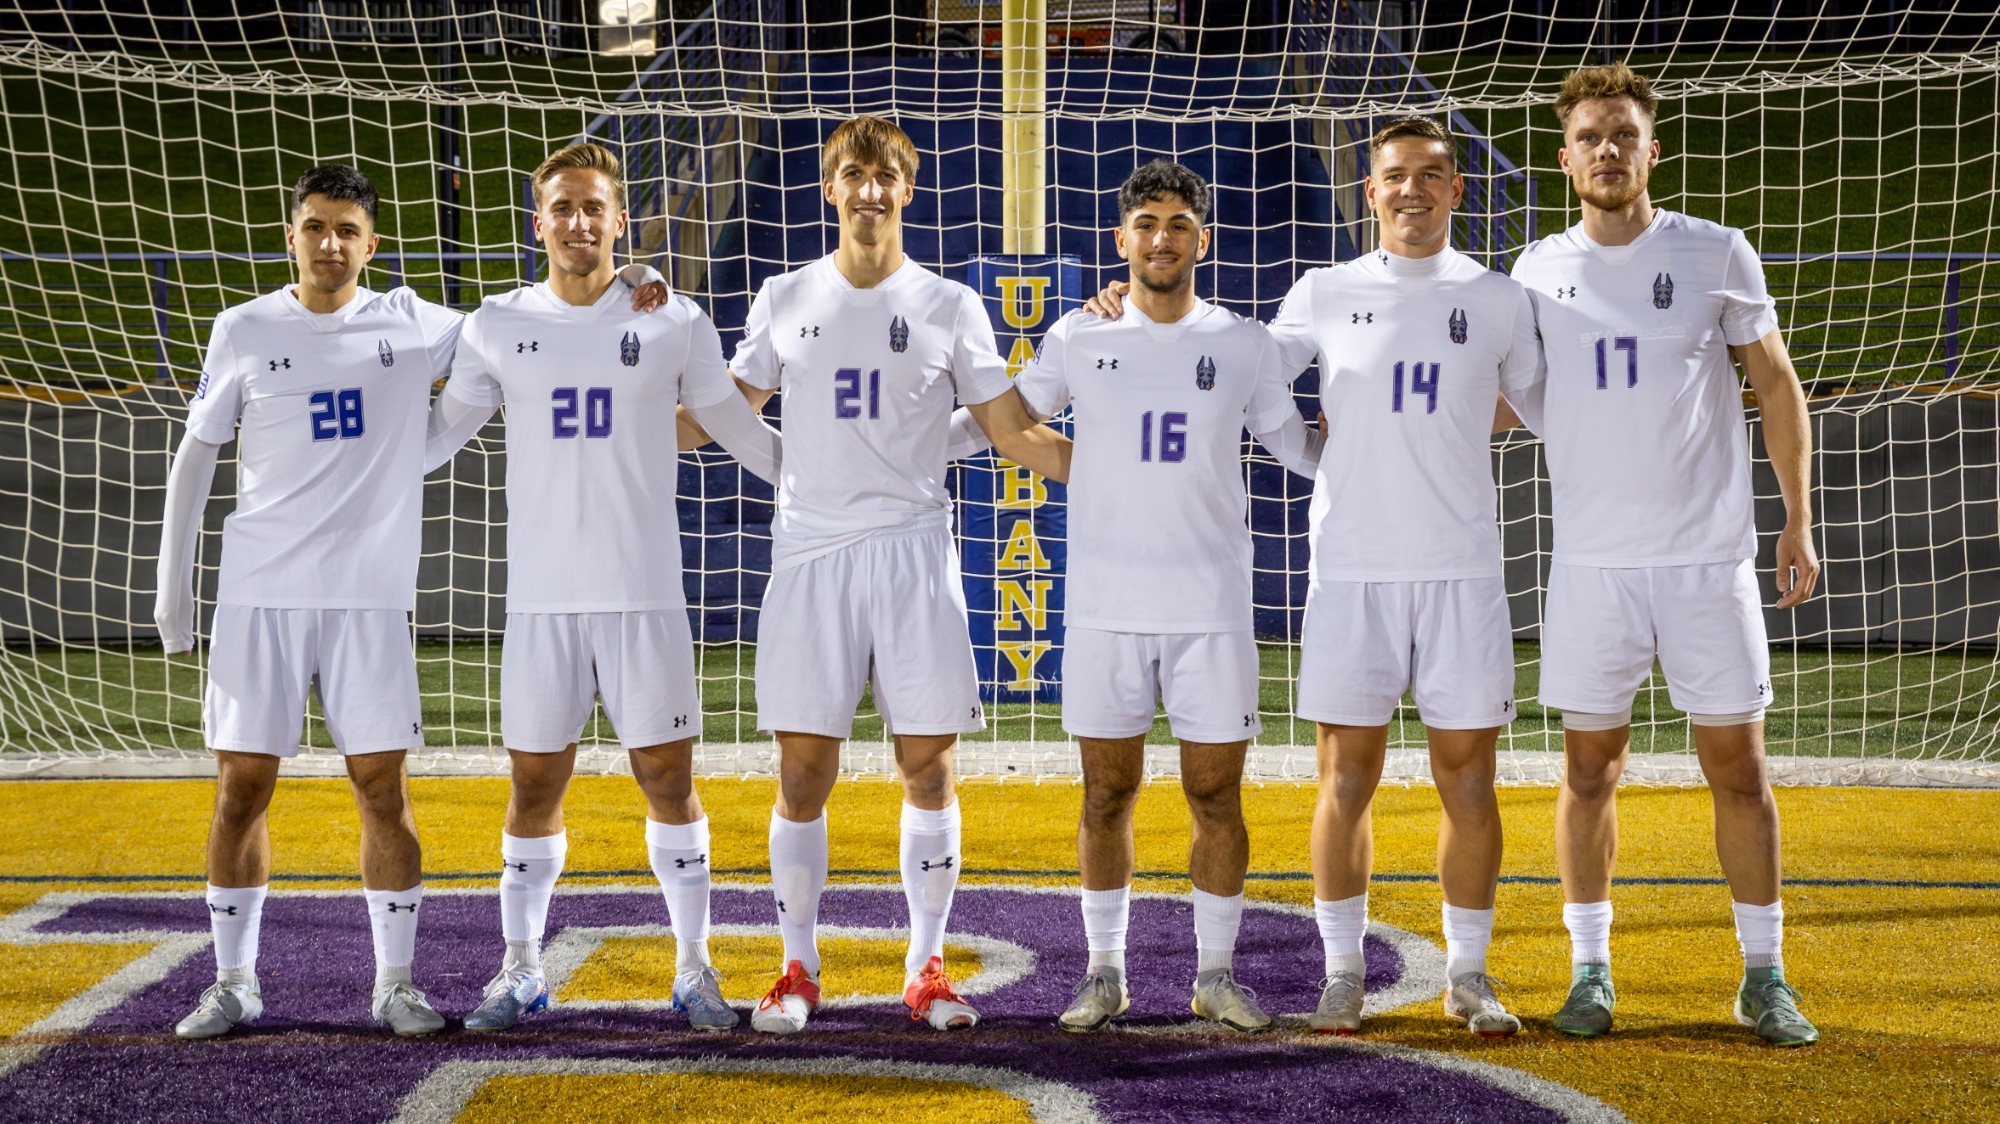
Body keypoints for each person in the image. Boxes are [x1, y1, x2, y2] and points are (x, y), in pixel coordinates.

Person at [714, 115, 1070, 1035]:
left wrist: (1119, 466)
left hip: (915, 551)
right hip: (812, 556)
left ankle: (926, 968)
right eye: (852, 175)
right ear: (829, 189)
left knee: (929, 768)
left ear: (907, 190)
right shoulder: (783, 296)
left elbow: (1008, 433)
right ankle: (796, 969)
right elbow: (720, 414)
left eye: (885, 177)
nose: (869, 190)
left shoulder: (951, 305)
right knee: (802, 773)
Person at [952, 160, 1322, 1033]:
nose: (1162, 237)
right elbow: (1013, 424)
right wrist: (917, 446)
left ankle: (1216, 976)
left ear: (1204, 239)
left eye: (1178, 223)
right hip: (1107, 608)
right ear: (1121, 241)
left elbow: (1298, 447)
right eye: (1146, 223)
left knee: (1216, 795)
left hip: (1213, 611)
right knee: (1105, 793)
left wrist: (1397, 447)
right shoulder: (1081, 336)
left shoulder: (1243, 343)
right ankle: (1104, 973)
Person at [424, 142, 782, 1033]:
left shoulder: (674, 319)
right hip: (541, 598)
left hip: (644, 591)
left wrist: (823, 481)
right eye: (562, 208)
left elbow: (732, 422)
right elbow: (437, 436)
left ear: (621, 219)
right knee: (533, 782)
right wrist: (344, 471)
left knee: (668, 776)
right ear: (536, 222)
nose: (579, 223)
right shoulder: (495, 324)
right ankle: (519, 968)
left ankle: (696, 968)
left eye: (595, 208)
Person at [1509, 62, 1821, 1046]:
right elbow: (1490, 392)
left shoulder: (1714, 252)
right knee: (1588, 768)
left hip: (1707, 559)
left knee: (1737, 767)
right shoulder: (1532, 270)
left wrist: (1795, 519)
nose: (1607, 149)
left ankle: (1761, 975)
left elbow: (1774, 385)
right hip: (1593, 566)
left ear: (1652, 148)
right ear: (1564, 159)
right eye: (1589, 136)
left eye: (1622, 134)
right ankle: (1589, 970)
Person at [155, 164, 462, 1039]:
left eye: (347, 231)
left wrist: (627, 281)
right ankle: (234, 982)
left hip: (367, 599)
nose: (331, 244)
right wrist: (171, 583)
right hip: (261, 595)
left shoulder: (413, 323)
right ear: (291, 235)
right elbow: (198, 452)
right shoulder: (242, 328)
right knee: (241, 787)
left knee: (381, 788)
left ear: (372, 245)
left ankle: (396, 984)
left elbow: (512, 345)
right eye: (315, 227)